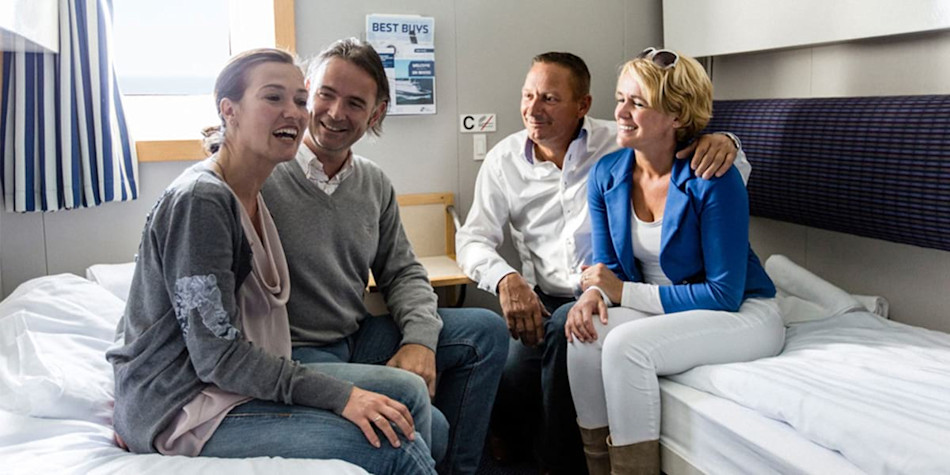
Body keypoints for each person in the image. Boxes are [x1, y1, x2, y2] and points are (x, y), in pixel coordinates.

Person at [106, 48, 437, 475]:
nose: (294, 113)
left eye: (299, 100)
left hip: (229, 384)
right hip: (183, 402)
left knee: (408, 401)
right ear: (229, 110)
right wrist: (342, 396)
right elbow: (215, 355)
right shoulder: (202, 200)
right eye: (273, 97)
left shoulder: (252, 192)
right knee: (395, 450)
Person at [455, 51, 749, 473]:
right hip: (541, 298)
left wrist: (727, 142)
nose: (533, 110)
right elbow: (472, 239)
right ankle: (521, 444)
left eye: (549, 99)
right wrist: (506, 278)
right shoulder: (504, 160)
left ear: (583, 105)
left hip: (611, 291)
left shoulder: (623, 139)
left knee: (573, 335)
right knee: (514, 378)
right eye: (528, 95)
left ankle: (560, 464)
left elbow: (710, 168)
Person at [260, 38, 509, 475]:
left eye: (355, 103)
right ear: (307, 93)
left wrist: (419, 341)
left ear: (375, 114)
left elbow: (403, 273)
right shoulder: (263, 174)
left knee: (486, 331)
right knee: (431, 426)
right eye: (326, 95)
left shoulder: (373, 183)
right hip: (294, 353)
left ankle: (460, 470)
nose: (336, 113)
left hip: (353, 339)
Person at [564, 48, 785, 474]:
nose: (620, 113)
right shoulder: (607, 174)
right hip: (665, 305)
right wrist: (594, 294)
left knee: (625, 348)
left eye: (637, 103)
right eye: (620, 98)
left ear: (677, 116)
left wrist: (621, 292)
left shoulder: (714, 178)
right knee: (584, 335)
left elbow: (724, 294)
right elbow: (609, 270)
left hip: (742, 312)